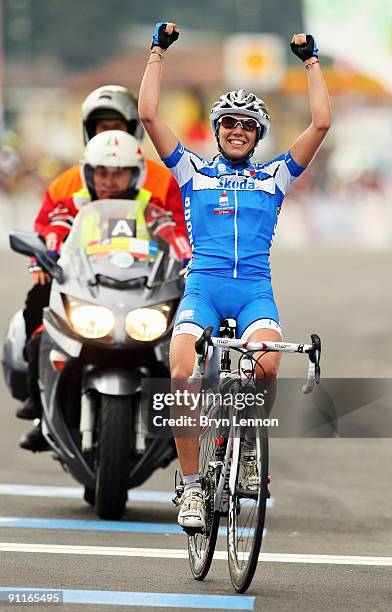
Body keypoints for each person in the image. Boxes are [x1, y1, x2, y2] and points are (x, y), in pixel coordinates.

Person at [138, 22, 331, 529]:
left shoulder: (276, 175)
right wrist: (157, 52)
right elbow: (149, 114)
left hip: (253, 294)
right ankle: (194, 487)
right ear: (219, 129)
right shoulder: (192, 170)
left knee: (267, 366)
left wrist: (312, 62)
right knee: (182, 371)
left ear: (258, 134)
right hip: (203, 288)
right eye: (229, 123)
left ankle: (248, 452)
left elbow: (321, 124)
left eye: (247, 124)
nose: (238, 130)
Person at [17, 85, 190, 443]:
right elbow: (46, 226)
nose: (110, 134)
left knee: (191, 332)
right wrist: (41, 258)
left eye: (117, 126)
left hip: (146, 283)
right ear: (88, 132)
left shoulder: (163, 179)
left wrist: (186, 261)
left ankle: (187, 415)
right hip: (82, 280)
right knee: (37, 313)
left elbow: (181, 229)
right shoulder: (67, 182)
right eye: (101, 127)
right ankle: (41, 406)